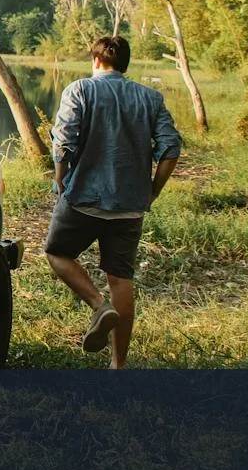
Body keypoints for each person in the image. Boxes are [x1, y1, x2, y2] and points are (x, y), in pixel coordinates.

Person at [43, 35, 182, 368]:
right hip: (130, 206)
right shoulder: (150, 98)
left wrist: (60, 177)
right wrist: (153, 190)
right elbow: (171, 148)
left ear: (96, 61)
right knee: (121, 279)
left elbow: (64, 140)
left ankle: (98, 305)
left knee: (57, 253)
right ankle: (118, 366)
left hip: (83, 198)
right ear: (124, 65)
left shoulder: (79, 89)